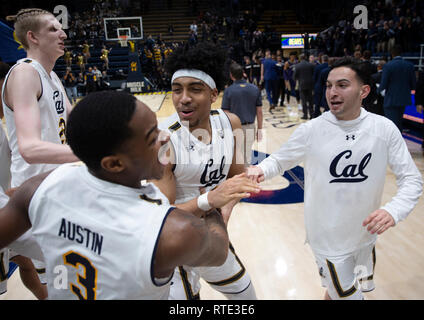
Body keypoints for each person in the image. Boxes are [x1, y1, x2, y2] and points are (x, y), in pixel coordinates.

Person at [0, 90, 236, 299]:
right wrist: (212, 206)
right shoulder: (174, 231)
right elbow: (218, 251)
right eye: (153, 138)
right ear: (113, 164)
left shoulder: (40, 188)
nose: (166, 137)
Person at [247, 57, 423, 300]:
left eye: (342, 85)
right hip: (327, 237)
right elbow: (279, 160)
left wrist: (394, 210)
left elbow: (412, 180)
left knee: (335, 291)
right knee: (349, 296)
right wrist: (261, 170)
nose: (332, 92)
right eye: (329, 85)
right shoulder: (312, 130)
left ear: (364, 91)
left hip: (364, 235)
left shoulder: (384, 129)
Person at [154, 42, 260, 300]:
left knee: (246, 297)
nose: (184, 98)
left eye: (195, 89)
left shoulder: (230, 122)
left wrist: (226, 207)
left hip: (209, 232)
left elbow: (237, 178)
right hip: (173, 240)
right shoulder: (164, 140)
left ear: (214, 94)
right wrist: (208, 200)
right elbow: (156, 216)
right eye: (176, 90)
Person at [2, 8, 80, 299]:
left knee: (73, 280)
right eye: (52, 29)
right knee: (63, 282)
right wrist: (90, 156)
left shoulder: (53, 78)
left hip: (59, 192)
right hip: (37, 200)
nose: (63, 34)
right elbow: (30, 148)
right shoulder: (24, 73)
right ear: (32, 37)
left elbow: (78, 128)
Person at [222, 62, 263, 165]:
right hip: (250, 126)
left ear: (231, 76)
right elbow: (259, 112)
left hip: (234, 128)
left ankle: (238, 178)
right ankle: (245, 178)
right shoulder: (255, 89)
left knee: (235, 157)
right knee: (247, 157)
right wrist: (260, 129)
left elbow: (225, 113)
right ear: (243, 73)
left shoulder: (229, 91)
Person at [378, 45, 416, 132]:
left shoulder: (388, 66)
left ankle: (392, 144)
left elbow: (383, 84)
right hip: (404, 99)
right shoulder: (409, 65)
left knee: (391, 124)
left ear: (391, 54)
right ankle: (398, 143)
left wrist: (377, 91)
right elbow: (413, 84)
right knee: (399, 123)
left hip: (391, 99)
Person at [293, 54, 315, 119]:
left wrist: (298, 79)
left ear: (300, 58)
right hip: (310, 84)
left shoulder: (297, 66)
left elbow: (294, 77)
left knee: (304, 100)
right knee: (310, 100)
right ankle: (312, 114)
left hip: (302, 84)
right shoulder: (311, 65)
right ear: (306, 58)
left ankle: (305, 115)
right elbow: (314, 74)